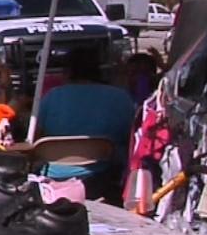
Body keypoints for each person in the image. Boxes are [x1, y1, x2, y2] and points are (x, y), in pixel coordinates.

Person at [37, 47, 136, 184]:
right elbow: (132, 136)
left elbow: (37, 134)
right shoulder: (119, 97)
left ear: (67, 72)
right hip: (106, 177)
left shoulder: (52, 96)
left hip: (53, 175)